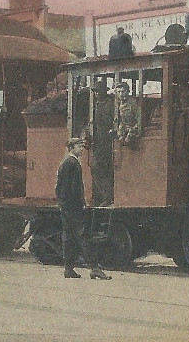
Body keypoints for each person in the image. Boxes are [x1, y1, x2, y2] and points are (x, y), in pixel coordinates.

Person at [56, 137, 110, 280]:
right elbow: (73, 189)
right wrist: (81, 205)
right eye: (79, 147)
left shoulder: (65, 163)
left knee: (69, 238)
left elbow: (59, 188)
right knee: (84, 237)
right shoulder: (73, 163)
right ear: (71, 148)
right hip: (74, 208)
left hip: (67, 208)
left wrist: (63, 205)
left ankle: (68, 269)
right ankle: (94, 268)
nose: (81, 149)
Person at [87, 79, 114, 206]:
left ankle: (107, 197)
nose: (97, 94)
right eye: (95, 92)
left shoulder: (110, 104)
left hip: (108, 141)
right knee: (97, 168)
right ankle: (104, 196)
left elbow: (114, 120)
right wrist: (88, 136)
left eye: (99, 91)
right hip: (98, 141)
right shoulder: (96, 105)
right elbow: (91, 123)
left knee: (103, 168)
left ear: (105, 92)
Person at [113, 82, 141, 147]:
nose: (121, 94)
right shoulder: (118, 104)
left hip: (133, 132)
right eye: (119, 92)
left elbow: (140, 120)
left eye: (123, 91)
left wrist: (132, 131)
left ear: (127, 92)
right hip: (123, 131)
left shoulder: (133, 103)